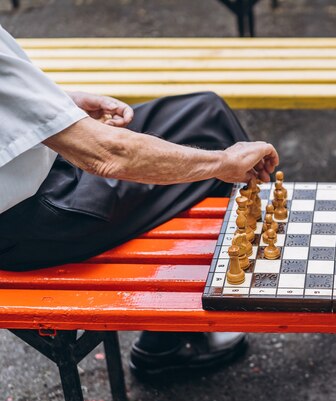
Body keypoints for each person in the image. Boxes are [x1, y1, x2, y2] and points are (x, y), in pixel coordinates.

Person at [0, 25, 279, 379]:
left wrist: (58, 105)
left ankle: (181, 318)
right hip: (34, 219)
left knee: (207, 113)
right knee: (210, 153)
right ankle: (167, 345)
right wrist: (220, 164)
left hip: (41, 173)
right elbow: (109, 155)